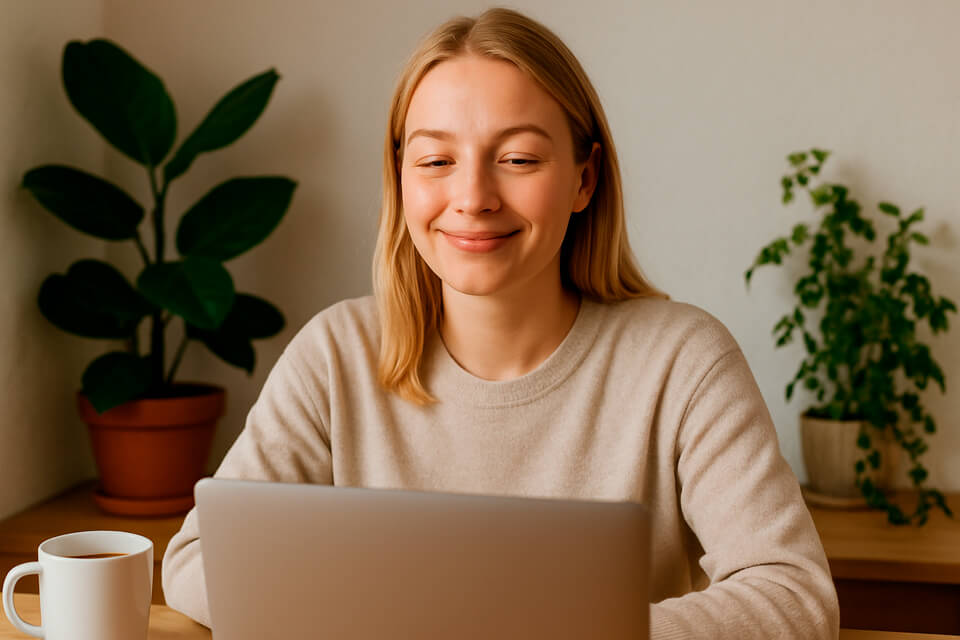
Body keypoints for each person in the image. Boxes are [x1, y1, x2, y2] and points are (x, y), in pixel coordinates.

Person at [162, 7, 839, 639]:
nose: (474, 198)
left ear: (584, 178)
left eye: (517, 159)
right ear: (400, 179)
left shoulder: (682, 361)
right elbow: (196, 560)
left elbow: (793, 596)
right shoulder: (335, 355)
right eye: (435, 161)